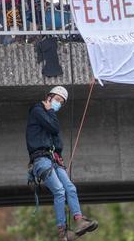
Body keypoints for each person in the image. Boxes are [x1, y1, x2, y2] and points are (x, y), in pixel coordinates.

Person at [26, 86, 98, 241]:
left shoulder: (50, 116)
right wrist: (50, 111)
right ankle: (62, 230)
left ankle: (79, 220)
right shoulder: (37, 110)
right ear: (49, 97)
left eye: (61, 102)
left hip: (53, 159)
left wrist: (59, 159)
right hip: (41, 160)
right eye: (57, 100)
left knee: (70, 187)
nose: (58, 104)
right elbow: (54, 127)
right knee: (59, 190)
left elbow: (57, 141)